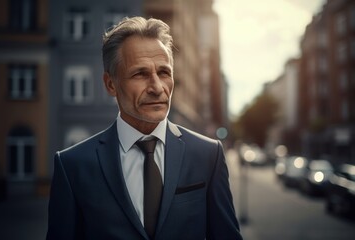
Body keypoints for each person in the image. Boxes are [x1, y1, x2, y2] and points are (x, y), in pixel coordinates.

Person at [46, 16, 243, 240]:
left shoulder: (208, 155)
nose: (157, 87)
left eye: (164, 72)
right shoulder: (72, 165)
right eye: (140, 74)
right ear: (111, 84)